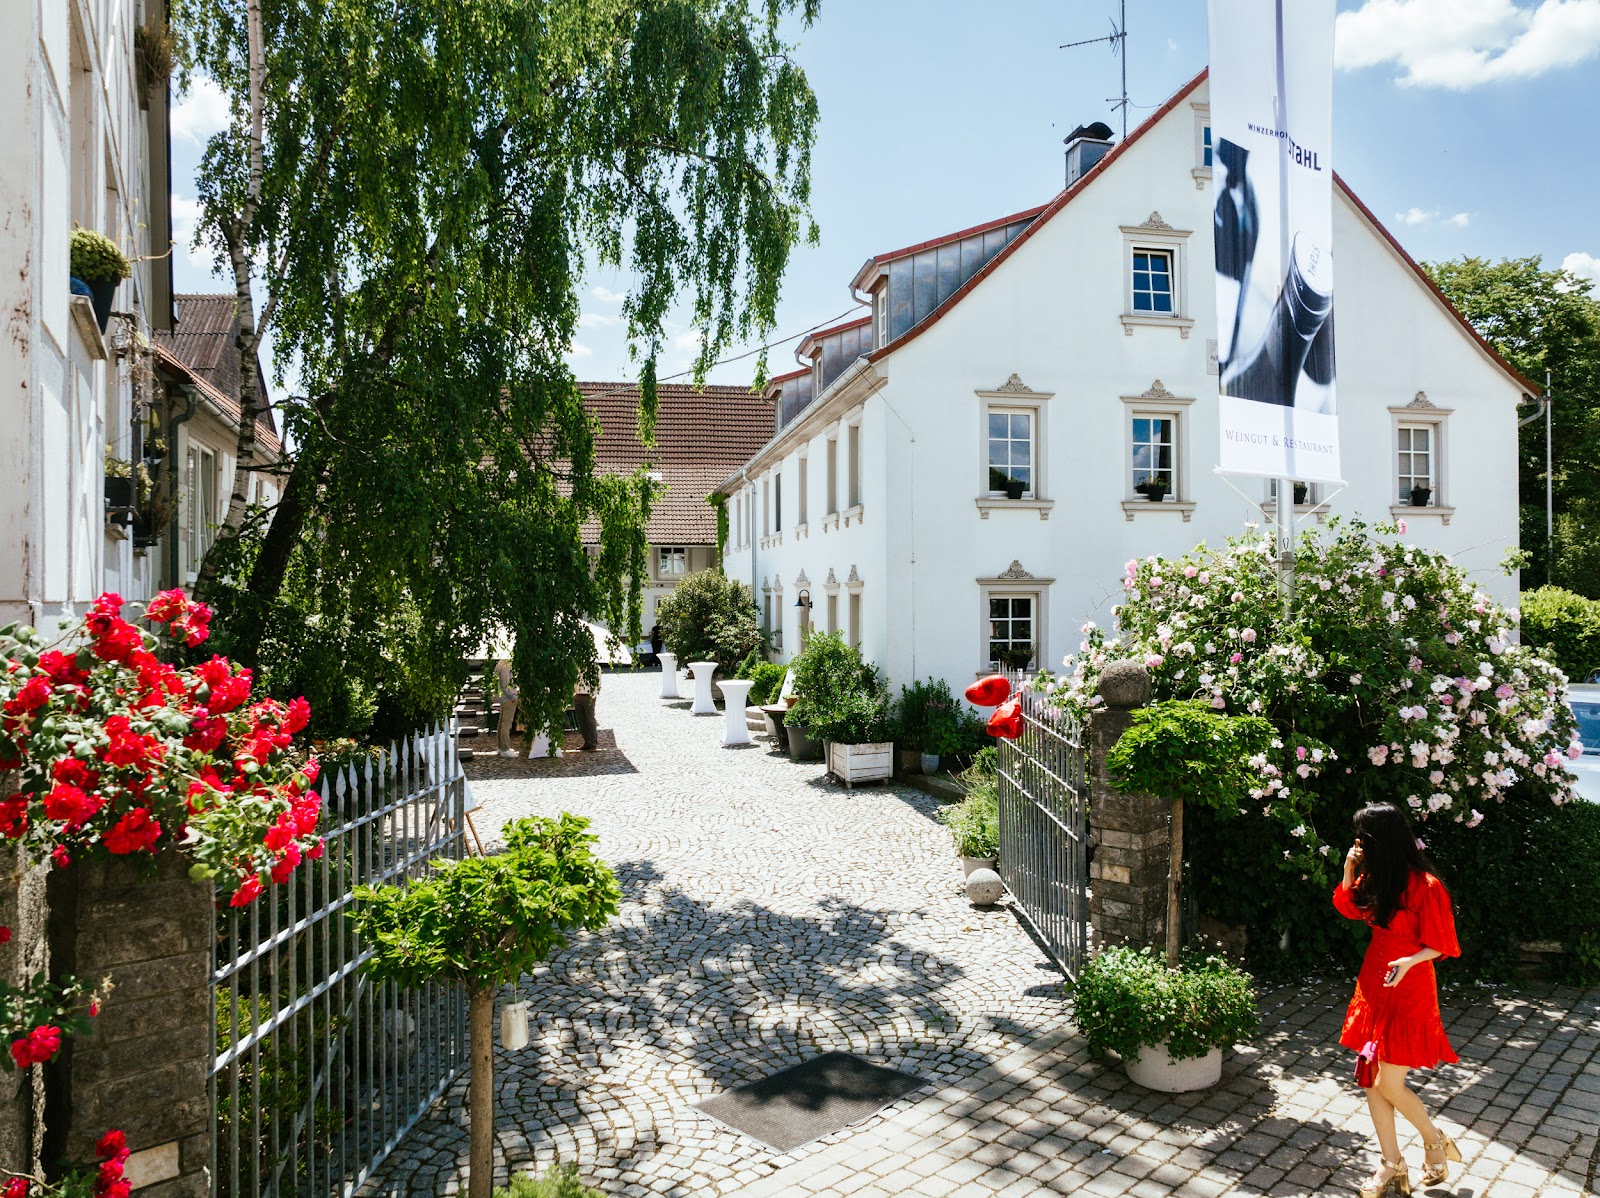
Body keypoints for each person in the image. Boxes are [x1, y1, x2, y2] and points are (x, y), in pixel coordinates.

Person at [1334, 802, 1465, 1197]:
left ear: (1380, 841)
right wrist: (1348, 869)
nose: (1358, 844)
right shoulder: (1376, 877)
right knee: (1372, 1082)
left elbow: (1444, 944)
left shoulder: (1427, 886)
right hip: (1373, 985)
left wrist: (1410, 959)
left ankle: (1434, 1141)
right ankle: (1391, 1164)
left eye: (1362, 838)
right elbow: (1348, 907)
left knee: (1389, 1083)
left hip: (1409, 988)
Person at [493, 657, 519, 758]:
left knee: (502, 722)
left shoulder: (501, 663)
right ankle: (505, 748)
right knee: (506, 724)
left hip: (503, 698)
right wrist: (513, 697)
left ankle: (501, 746)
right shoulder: (505, 665)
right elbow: (505, 684)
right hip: (507, 698)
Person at [573, 666, 599, 751]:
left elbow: (598, 683)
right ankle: (587, 742)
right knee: (581, 720)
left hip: (589, 696)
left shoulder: (595, 668)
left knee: (590, 719)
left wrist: (593, 695)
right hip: (578, 695)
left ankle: (593, 743)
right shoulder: (577, 667)